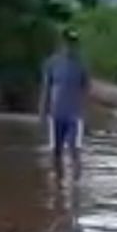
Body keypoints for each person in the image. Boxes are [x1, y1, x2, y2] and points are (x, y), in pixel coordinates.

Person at [39, 27, 90, 174]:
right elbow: (46, 90)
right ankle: (57, 186)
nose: (70, 46)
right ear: (62, 43)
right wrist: (42, 113)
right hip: (56, 114)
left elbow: (86, 91)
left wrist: (86, 116)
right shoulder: (51, 63)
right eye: (68, 42)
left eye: (73, 43)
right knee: (56, 152)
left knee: (75, 150)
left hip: (75, 115)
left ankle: (76, 188)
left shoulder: (82, 65)